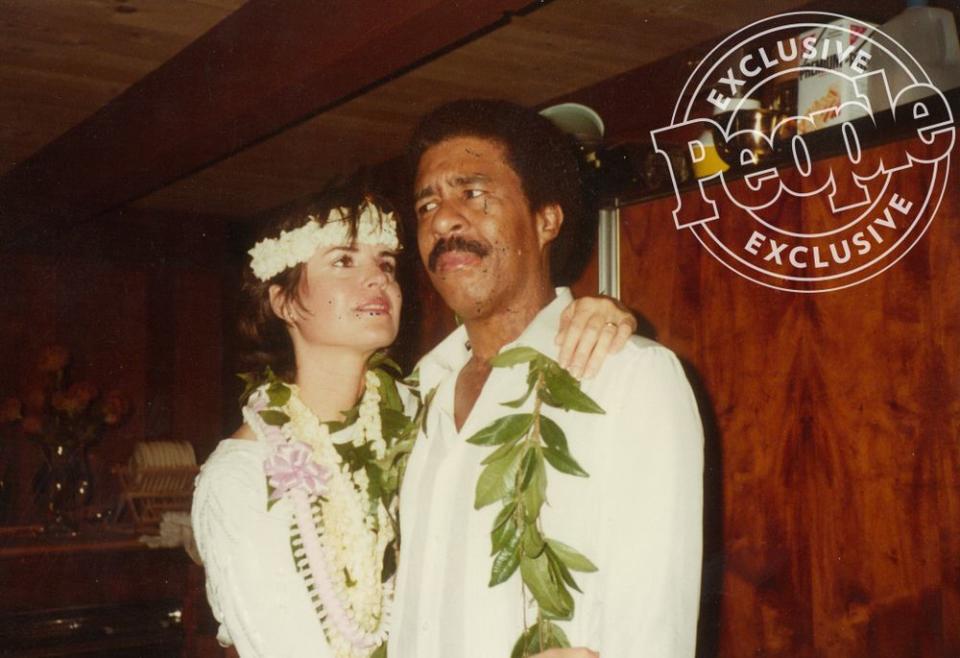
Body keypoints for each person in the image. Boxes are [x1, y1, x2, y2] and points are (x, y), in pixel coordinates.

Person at [191, 182, 638, 658]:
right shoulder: (237, 480)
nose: (377, 280)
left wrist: (597, 313)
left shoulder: (430, 406)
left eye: (385, 264)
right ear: (282, 302)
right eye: (343, 261)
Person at [389, 100, 704, 658]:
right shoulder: (416, 393)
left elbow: (655, 622)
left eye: (474, 193)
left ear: (546, 220)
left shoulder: (628, 377)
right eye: (426, 204)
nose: (442, 219)